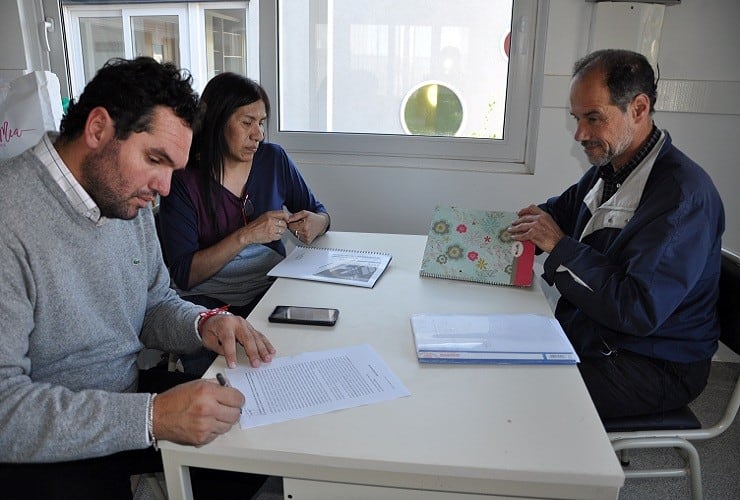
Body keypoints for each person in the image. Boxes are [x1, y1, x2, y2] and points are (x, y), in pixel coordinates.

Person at [0, 57, 275, 499]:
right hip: (42, 444)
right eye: (155, 159)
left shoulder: (128, 197)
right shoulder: (11, 214)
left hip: (126, 397)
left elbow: (154, 301)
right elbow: (5, 410)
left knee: (255, 442)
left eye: (173, 169)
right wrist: (152, 418)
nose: (165, 187)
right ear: (97, 130)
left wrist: (203, 323)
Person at [508, 49, 725, 420]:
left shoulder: (682, 197)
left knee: (523, 395)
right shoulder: (611, 167)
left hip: (656, 363)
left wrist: (557, 245)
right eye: (577, 118)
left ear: (638, 109)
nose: (579, 133)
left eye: (593, 118)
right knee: (498, 360)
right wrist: (491, 235)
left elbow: (637, 309)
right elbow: (559, 212)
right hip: (601, 336)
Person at [158, 72, 330, 374]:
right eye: (246, 122)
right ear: (216, 122)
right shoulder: (184, 180)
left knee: (300, 357)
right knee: (233, 375)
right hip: (206, 304)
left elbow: (319, 212)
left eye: (261, 123)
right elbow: (184, 275)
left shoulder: (273, 159)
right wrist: (245, 236)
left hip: (268, 290)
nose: (258, 135)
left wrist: (316, 222)